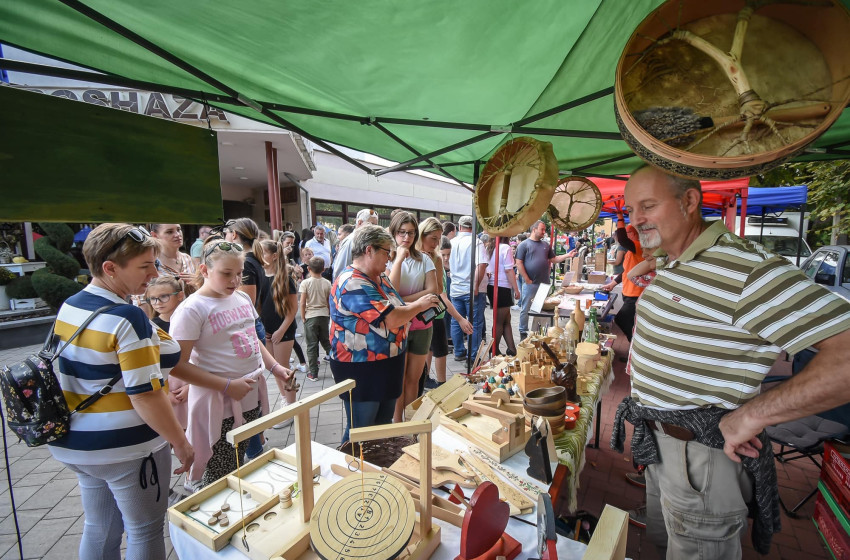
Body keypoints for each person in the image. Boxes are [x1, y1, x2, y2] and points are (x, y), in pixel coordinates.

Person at [610, 165, 850, 558]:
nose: (636, 219)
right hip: (663, 444)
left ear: (689, 201)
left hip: (700, 459)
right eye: (631, 209)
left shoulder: (746, 269)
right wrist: (650, 265)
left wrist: (752, 415)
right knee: (667, 544)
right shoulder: (676, 255)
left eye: (648, 205)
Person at [49, 223, 193, 560]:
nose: (154, 274)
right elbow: (145, 394)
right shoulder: (128, 318)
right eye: (144, 266)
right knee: (144, 530)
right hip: (127, 448)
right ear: (110, 268)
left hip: (77, 443)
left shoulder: (71, 304)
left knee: (99, 527)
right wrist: (181, 443)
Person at [170, 238, 294, 490]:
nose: (235, 281)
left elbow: (252, 338)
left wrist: (275, 368)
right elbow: (176, 365)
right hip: (217, 401)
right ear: (204, 270)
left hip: (247, 394)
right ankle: (210, 508)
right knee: (219, 467)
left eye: (239, 274)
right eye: (226, 274)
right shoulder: (191, 310)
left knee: (240, 454)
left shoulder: (242, 299)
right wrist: (227, 385)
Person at [329, 225, 438, 444]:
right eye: (386, 252)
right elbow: (392, 318)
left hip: (388, 363)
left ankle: (374, 466)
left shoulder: (379, 277)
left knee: (381, 426)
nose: (389, 258)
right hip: (362, 368)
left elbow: (397, 306)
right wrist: (419, 305)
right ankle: (351, 469)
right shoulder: (352, 282)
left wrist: (413, 309)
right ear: (369, 250)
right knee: (360, 430)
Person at [388, 212, 438, 422]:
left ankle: (409, 424)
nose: (406, 238)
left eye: (410, 233)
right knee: (397, 380)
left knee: (414, 379)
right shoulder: (387, 260)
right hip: (399, 325)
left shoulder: (424, 258)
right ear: (394, 233)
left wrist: (404, 300)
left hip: (422, 325)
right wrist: (399, 258)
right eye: (401, 233)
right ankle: (397, 424)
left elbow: (433, 289)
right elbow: (392, 290)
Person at [419, 218, 473, 387]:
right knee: (438, 350)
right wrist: (460, 318)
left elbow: (439, 292)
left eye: (438, 239)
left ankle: (427, 379)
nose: (446, 257)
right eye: (433, 239)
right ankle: (439, 383)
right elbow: (441, 295)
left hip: (432, 312)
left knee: (429, 348)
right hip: (427, 314)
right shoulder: (420, 259)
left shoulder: (435, 260)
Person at [259, 239, 300, 428]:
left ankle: (291, 406)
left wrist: (281, 330)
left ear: (274, 256)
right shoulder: (259, 276)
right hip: (267, 331)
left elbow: (292, 310)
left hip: (281, 330)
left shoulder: (285, 279)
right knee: (274, 367)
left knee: (283, 367)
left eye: (263, 252)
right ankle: (285, 400)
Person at [145, 275, 189, 429]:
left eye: (163, 297)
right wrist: (164, 392)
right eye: (153, 298)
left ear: (180, 296)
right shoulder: (151, 327)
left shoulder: (191, 320)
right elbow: (150, 363)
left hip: (192, 383)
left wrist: (192, 386)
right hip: (166, 387)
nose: (157, 303)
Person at [515, 220, 569, 340]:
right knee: (526, 308)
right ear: (534, 229)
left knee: (541, 309)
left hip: (544, 284)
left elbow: (554, 259)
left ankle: (538, 331)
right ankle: (523, 331)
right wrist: (527, 279)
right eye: (542, 229)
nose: (544, 232)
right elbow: (519, 263)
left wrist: (567, 255)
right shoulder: (524, 245)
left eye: (544, 230)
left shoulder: (545, 245)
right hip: (531, 283)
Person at [448, 216, 487, 362]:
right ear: (473, 226)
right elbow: (481, 264)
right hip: (470, 290)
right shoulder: (476, 242)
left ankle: (459, 351)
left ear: (459, 226)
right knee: (475, 323)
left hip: (455, 288)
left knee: (456, 321)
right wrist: (475, 286)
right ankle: (473, 357)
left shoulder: (452, 242)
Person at [299, 256, 333, 382]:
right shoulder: (327, 283)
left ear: (308, 268)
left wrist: (303, 317)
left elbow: (302, 303)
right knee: (327, 343)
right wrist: (329, 314)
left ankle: (313, 373)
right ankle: (336, 368)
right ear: (323, 269)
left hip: (310, 316)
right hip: (324, 315)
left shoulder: (305, 283)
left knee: (312, 346)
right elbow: (329, 302)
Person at [486, 235, 520, 356]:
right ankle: (494, 350)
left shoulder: (491, 247)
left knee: (506, 319)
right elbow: (509, 270)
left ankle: (511, 348)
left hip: (493, 286)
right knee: (500, 321)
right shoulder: (506, 248)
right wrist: (516, 289)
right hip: (502, 286)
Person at [333, 208, 379, 281]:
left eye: (376, 225)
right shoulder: (351, 241)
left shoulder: (367, 240)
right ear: (360, 222)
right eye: (371, 224)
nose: (374, 228)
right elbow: (340, 269)